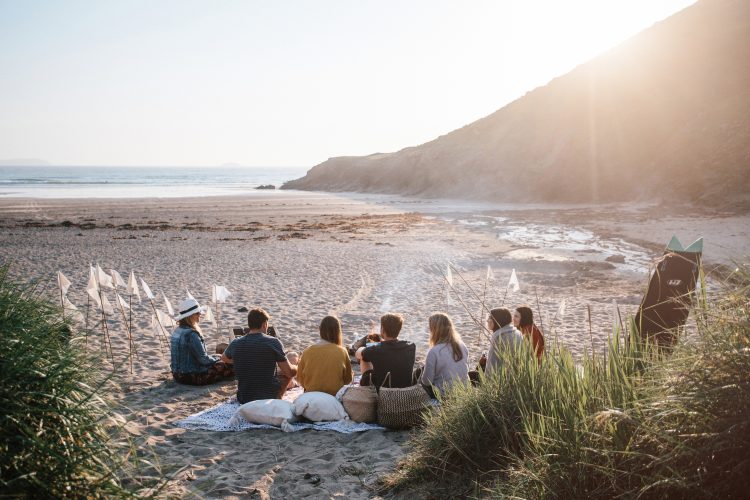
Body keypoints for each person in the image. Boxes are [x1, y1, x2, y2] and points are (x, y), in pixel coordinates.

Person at [221, 308, 297, 403]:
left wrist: (242, 359)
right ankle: (290, 385)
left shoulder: (236, 343)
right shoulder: (273, 342)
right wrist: (296, 367)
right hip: (269, 397)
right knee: (290, 365)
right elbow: (289, 372)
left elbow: (223, 358)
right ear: (264, 324)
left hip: (244, 398)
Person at [170, 298, 234, 385]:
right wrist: (220, 359)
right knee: (229, 365)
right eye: (197, 313)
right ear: (190, 316)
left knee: (218, 356)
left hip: (177, 374)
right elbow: (203, 360)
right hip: (190, 377)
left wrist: (218, 357)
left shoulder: (177, 331)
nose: (200, 314)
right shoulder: (192, 334)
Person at [296, 316, 354, 396]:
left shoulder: (307, 351)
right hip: (334, 396)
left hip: (311, 395)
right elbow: (348, 379)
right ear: (338, 331)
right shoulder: (342, 351)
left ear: (320, 330)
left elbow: (300, 380)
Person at [356, 313, 415, 389]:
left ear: (382, 330)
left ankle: (366, 388)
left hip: (383, 392)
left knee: (363, 358)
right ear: (399, 330)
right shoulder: (411, 346)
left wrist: (362, 348)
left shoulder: (376, 349)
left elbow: (358, 354)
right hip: (405, 390)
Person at [419, 312, 469, 398]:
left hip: (445, 395)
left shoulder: (434, 351)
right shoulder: (462, 345)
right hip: (464, 391)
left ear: (435, 330)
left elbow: (427, 381)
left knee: (419, 375)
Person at [485, 307, 523, 374]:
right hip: (517, 374)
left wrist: (485, 383)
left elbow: (491, 366)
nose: (487, 320)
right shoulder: (517, 333)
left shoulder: (499, 337)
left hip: (503, 378)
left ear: (497, 320)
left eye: (490, 318)